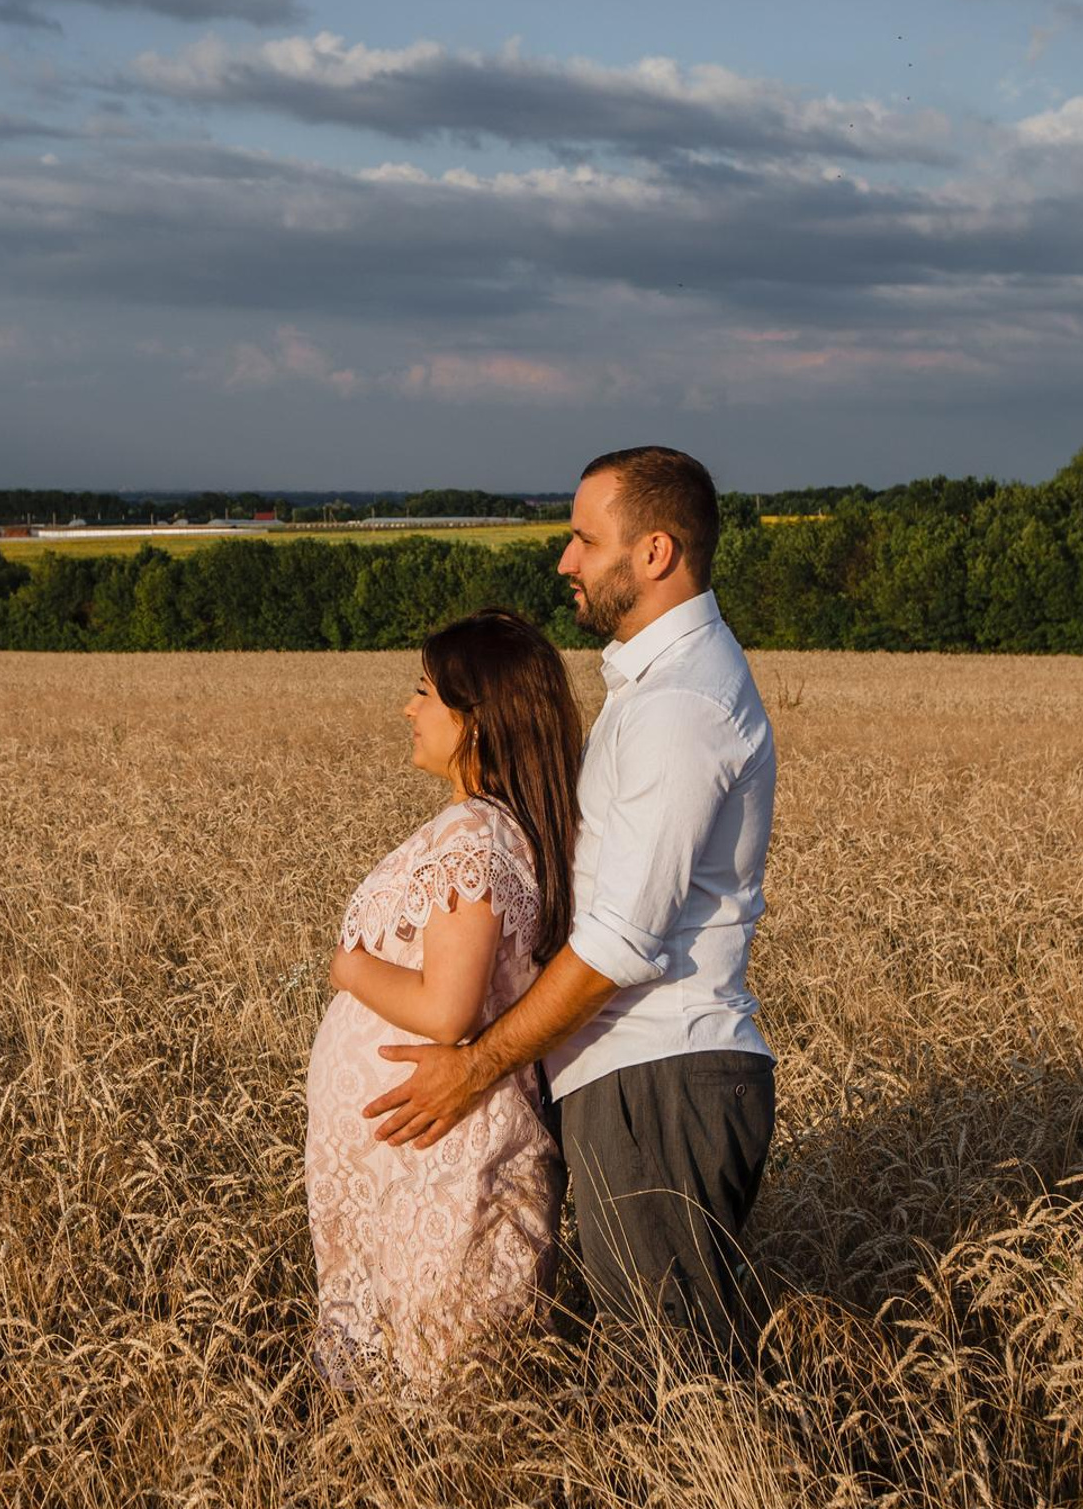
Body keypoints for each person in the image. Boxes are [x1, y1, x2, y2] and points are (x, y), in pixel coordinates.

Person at [365, 446, 777, 1358]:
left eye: (585, 541)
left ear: (656, 553)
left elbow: (621, 944)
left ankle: (746, 1505)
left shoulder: (682, 708)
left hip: (659, 1076)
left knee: (674, 1380)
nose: (566, 562)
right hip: (638, 1079)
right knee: (655, 1365)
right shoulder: (658, 689)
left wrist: (474, 1067)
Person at [305, 609, 580, 1388]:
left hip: (443, 1164)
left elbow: (448, 1009)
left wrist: (350, 969)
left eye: (425, 692)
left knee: (434, 1391)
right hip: (415, 1165)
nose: (408, 709)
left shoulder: (476, 837)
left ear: (476, 722)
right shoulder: (488, 829)